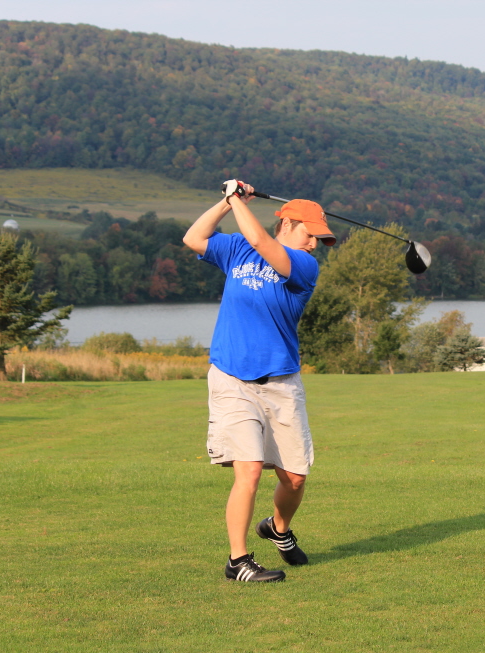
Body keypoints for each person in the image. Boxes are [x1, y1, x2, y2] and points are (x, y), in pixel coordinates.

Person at [182, 179, 335, 582]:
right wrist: (226, 202)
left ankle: (278, 529)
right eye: (310, 234)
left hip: (281, 383)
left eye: (319, 239)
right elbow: (194, 237)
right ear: (287, 223)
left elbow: (262, 242)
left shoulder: (304, 266)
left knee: (295, 478)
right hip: (231, 379)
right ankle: (238, 561)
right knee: (248, 471)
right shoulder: (237, 249)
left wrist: (238, 201)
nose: (315, 244)